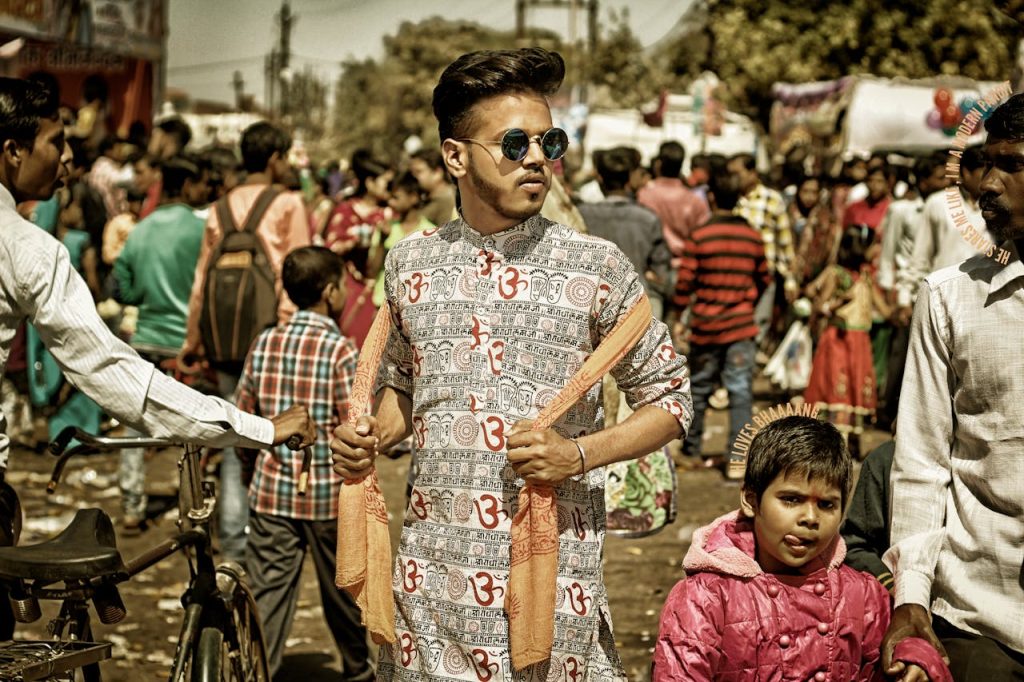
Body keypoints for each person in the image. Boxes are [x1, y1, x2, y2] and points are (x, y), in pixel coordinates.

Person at [330, 47, 691, 681]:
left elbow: (671, 399)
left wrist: (576, 455)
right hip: (430, 591)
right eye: (515, 143)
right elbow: (407, 397)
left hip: (552, 585)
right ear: (455, 156)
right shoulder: (410, 265)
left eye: (549, 142)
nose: (536, 159)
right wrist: (367, 437)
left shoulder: (596, 268)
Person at [0, 75, 314, 637]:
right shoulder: (24, 246)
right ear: (12, 151)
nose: (69, 156)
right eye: (55, 141)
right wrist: (257, 427)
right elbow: (118, 379)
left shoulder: (145, 228)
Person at [881, 94, 1024, 679]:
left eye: (1010, 165)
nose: (986, 184)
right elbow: (921, 460)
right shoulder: (951, 296)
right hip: (980, 613)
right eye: (983, 164)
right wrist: (910, 596)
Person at [653, 416, 946, 681]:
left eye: (826, 505)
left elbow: (899, 652)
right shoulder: (705, 598)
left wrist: (915, 659)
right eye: (791, 499)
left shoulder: (863, 596)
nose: (809, 518)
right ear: (751, 500)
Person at [237, 246, 372, 681]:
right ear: (330, 291)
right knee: (345, 595)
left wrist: (249, 472)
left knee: (268, 598)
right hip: (328, 498)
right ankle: (357, 670)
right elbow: (355, 425)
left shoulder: (265, 342)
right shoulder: (339, 351)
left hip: (271, 493)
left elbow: (244, 418)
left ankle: (257, 671)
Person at [182, 120, 311, 564]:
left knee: (235, 432)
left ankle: (234, 541)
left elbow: (201, 279)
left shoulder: (219, 208)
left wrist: (193, 337)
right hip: (271, 335)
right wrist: (290, 333)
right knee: (276, 430)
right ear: (275, 159)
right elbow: (299, 273)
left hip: (223, 338)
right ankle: (270, 533)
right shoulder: (288, 203)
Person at [113, 154, 210, 531]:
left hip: (145, 337)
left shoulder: (140, 230)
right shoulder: (201, 229)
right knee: (192, 425)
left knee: (134, 422)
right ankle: (190, 504)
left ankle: (131, 505)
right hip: (185, 343)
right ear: (186, 186)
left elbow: (126, 286)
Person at [674, 167, 768, 471]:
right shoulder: (753, 237)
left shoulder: (701, 236)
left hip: (706, 327)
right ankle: (737, 459)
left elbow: (684, 283)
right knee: (740, 391)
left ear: (711, 197)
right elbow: (765, 278)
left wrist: (679, 315)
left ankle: (691, 452)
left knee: (699, 389)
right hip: (741, 326)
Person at [803, 226, 890, 459]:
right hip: (839, 341)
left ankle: (851, 445)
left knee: (855, 388)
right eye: (873, 245)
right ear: (859, 247)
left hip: (859, 341)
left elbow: (881, 306)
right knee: (837, 388)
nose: (876, 250)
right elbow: (820, 306)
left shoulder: (865, 275)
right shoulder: (837, 274)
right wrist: (838, 300)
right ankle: (833, 446)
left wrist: (901, 314)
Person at [578, 146, 673, 321]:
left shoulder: (581, 215)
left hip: (589, 305)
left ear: (600, 179)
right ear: (629, 180)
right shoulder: (647, 219)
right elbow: (662, 272)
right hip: (637, 306)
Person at [322, 150, 392, 347]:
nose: (391, 189)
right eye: (386, 183)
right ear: (369, 183)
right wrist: (352, 242)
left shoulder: (391, 213)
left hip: (381, 291)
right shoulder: (344, 210)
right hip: (350, 288)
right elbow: (330, 248)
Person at [636, 140, 710, 262]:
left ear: (658, 164)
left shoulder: (643, 195)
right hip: (684, 263)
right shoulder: (695, 201)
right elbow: (703, 236)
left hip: (652, 265)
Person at [409, 147, 456, 227]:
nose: (413, 177)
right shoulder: (425, 198)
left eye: (418, 171)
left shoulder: (447, 199)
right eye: (412, 172)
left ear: (437, 173)